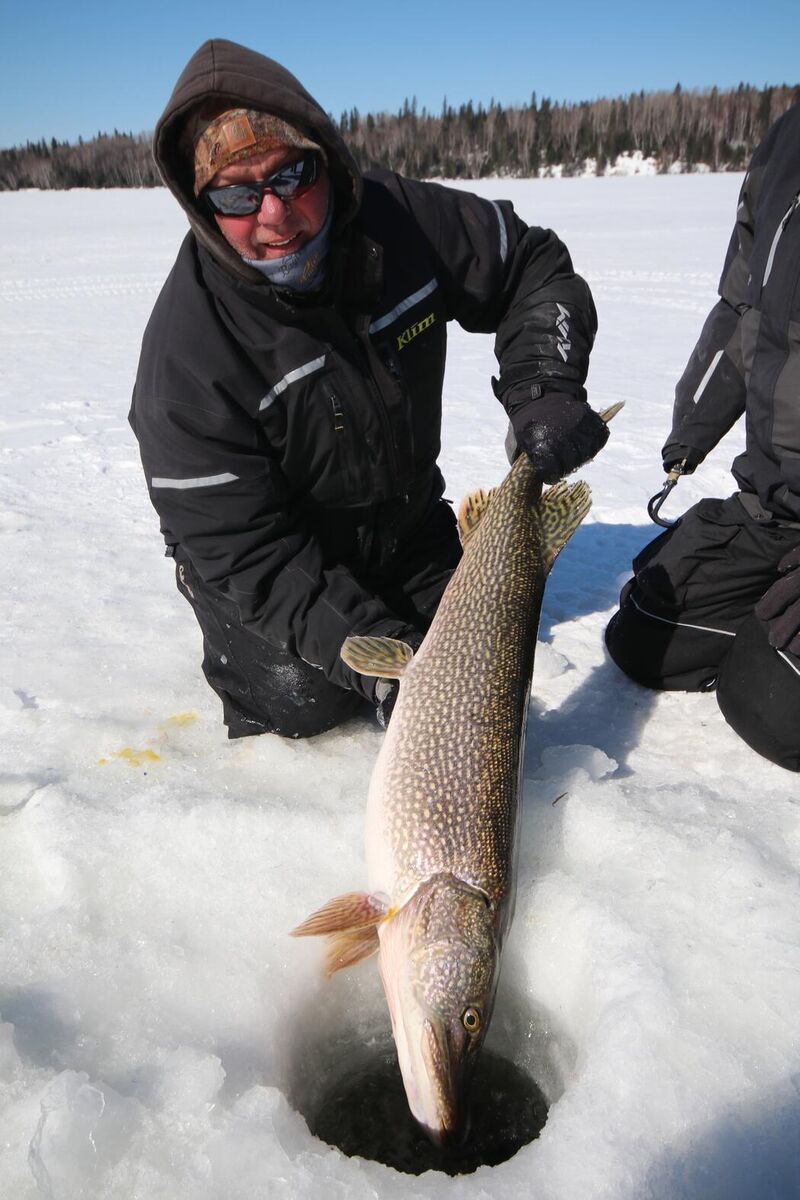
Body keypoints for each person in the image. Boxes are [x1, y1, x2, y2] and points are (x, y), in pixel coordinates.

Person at [130, 39, 605, 739]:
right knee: (309, 699)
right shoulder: (188, 362)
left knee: (486, 661)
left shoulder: (401, 220)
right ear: (202, 206)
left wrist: (545, 386)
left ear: (326, 158)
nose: (275, 213)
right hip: (275, 556)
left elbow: (531, 266)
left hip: (405, 525)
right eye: (236, 193)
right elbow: (246, 552)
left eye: (293, 174)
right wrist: (377, 666)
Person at [605, 100, 800, 772]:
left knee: (770, 704)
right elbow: (742, 306)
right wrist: (691, 432)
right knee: (645, 631)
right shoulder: (786, 141)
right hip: (776, 503)